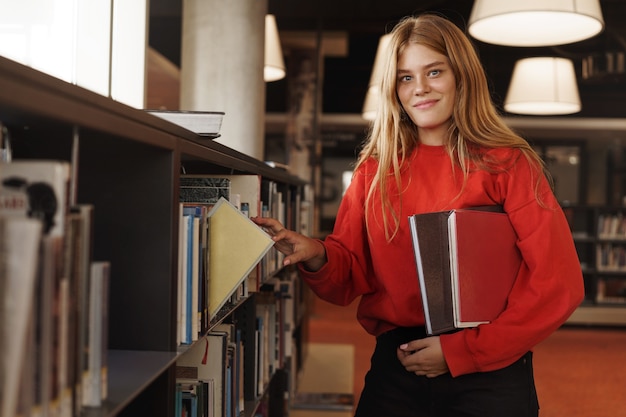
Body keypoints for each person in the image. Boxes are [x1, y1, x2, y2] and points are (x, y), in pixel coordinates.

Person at [252, 13, 584, 417]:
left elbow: (558, 284)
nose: (420, 88)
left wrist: (462, 351)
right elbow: (348, 277)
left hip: (490, 370)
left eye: (434, 71)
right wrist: (317, 253)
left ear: (462, 76)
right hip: (398, 369)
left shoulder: (508, 164)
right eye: (406, 77)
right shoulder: (373, 171)